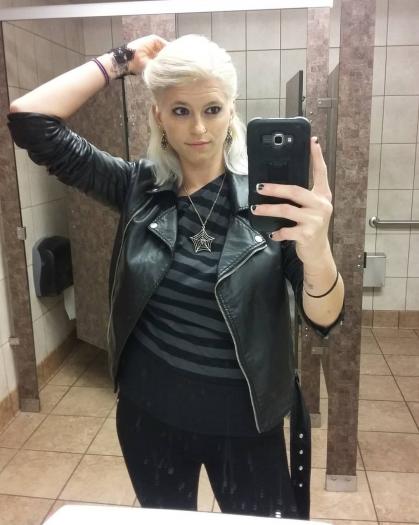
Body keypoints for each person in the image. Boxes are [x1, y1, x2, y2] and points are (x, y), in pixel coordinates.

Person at [7, 34, 345, 519]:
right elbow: (29, 119)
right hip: (150, 415)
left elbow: (325, 318)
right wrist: (121, 61)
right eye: (180, 110)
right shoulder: (136, 187)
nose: (199, 127)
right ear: (158, 116)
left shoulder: (272, 202)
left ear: (231, 111)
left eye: (212, 109)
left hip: (246, 422)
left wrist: (318, 253)